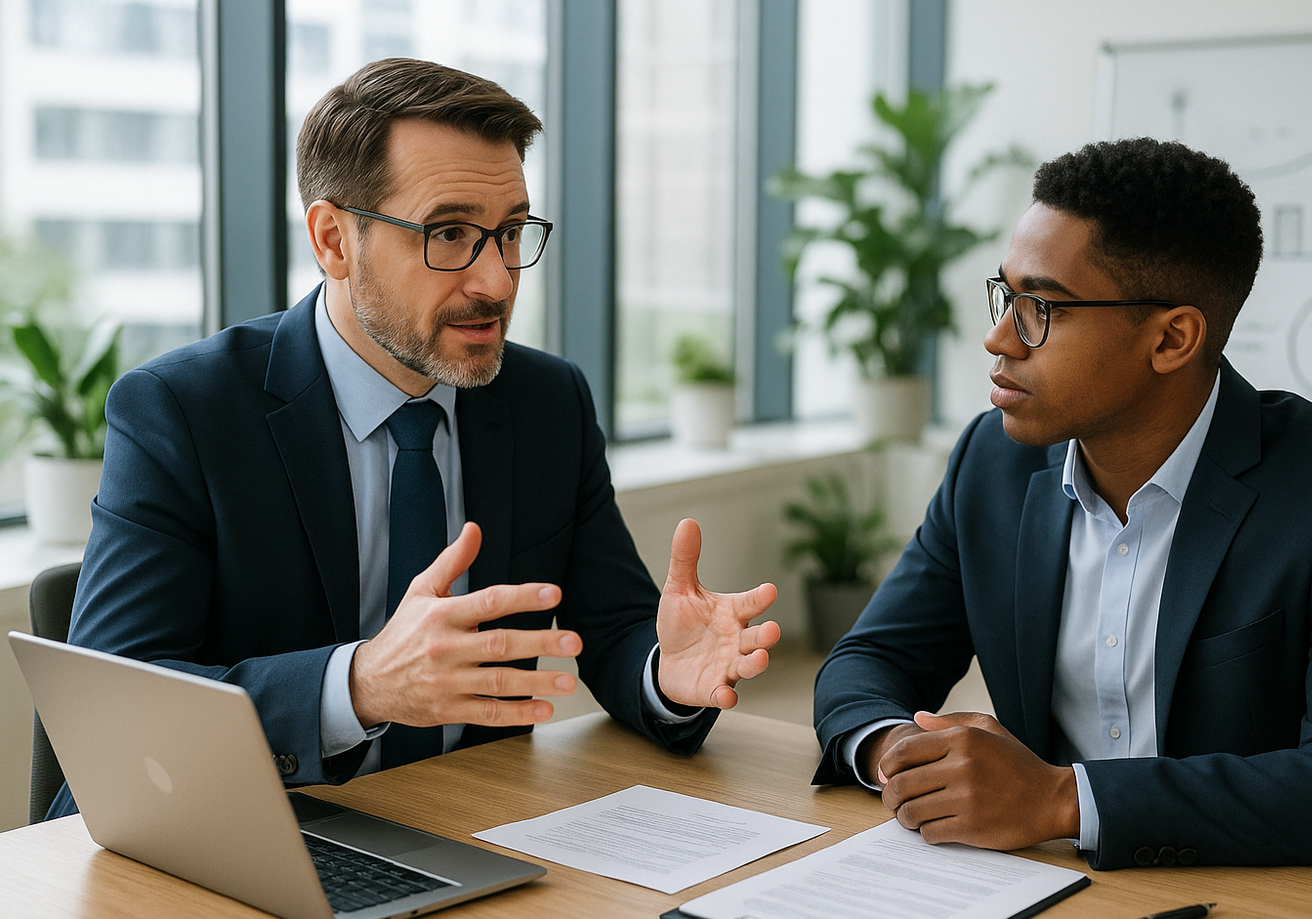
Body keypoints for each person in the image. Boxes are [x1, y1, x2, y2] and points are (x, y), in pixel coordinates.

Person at [50, 58, 780, 817]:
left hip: (465, 831)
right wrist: (361, 685)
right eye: (450, 234)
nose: (495, 280)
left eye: (509, 233)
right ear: (334, 240)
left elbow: (615, 627)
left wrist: (668, 674)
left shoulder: (546, 402)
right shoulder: (184, 412)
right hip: (240, 839)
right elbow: (116, 710)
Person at [810, 137, 1312, 871]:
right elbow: (870, 661)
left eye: (1040, 306)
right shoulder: (993, 461)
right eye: (1005, 295)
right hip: (1048, 895)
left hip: (1279, 918)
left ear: (1172, 338)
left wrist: (1060, 800)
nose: (999, 336)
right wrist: (900, 755)